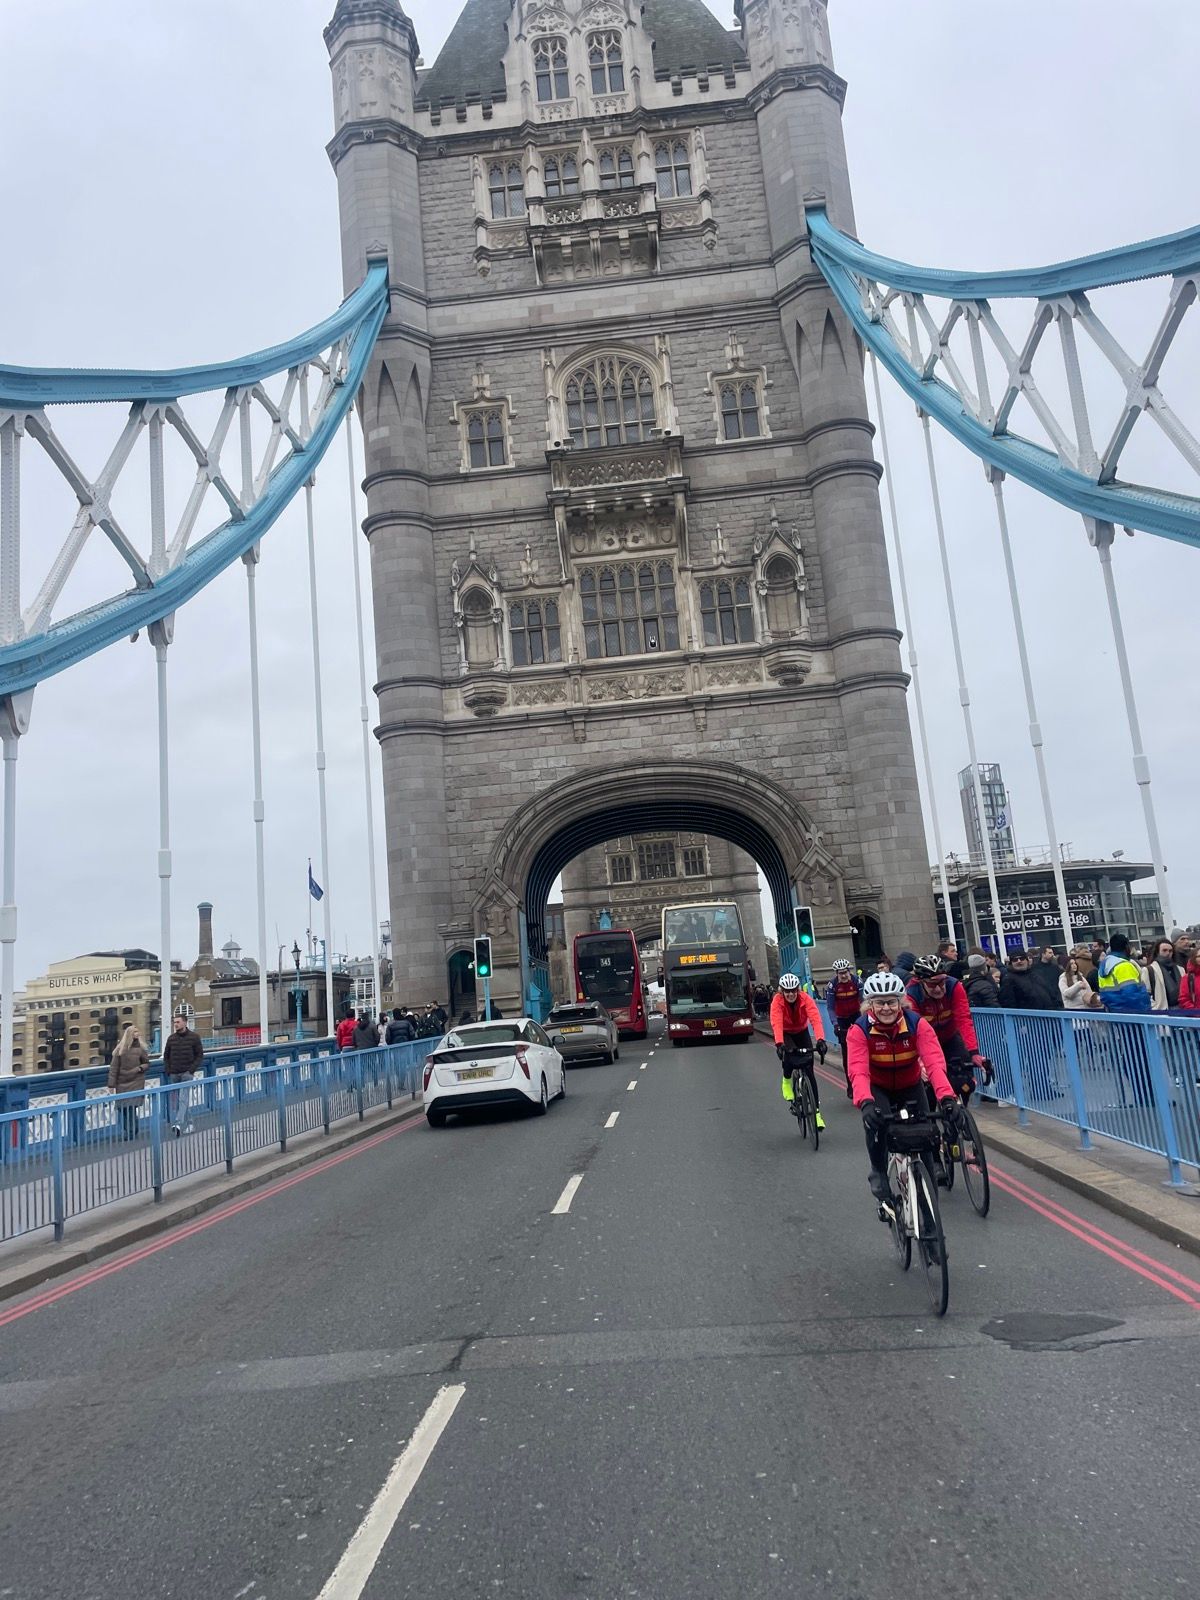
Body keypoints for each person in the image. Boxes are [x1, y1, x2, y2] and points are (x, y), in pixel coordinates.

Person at [846, 971, 957, 1203]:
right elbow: (858, 1070)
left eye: (891, 1001)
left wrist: (947, 1097)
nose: (886, 1008)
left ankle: (931, 1225)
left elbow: (935, 1063)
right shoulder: (860, 1030)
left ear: (901, 1002)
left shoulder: (918, 1025)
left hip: (910, 1084)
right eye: (879, 1002)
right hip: (879, 1087)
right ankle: (877, 1170)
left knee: (925, 1139)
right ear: (869, 1005)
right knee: (876, 1127)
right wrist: (865, 1102)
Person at [906, 955, 992, 1101]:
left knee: (965, 1081)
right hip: (925, 1041)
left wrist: (974, 1053)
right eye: (933, 984)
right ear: (921, 982)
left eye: (942, 982)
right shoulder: (911, 994)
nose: (939, 988)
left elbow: (963, 1019)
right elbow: (915, 1031)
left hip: (950, 1037)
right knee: (928, 1084)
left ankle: (961, 1109)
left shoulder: (954, 986)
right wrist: (920, 1061)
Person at [770, 971, 827, 1131]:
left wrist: (821, 1040)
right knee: (789, 1055)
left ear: (798, 990)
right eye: (787, 991)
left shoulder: (805, 999)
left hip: (801, 1031)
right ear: (782, 991)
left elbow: (815, 1018)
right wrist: (779, 1043)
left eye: (793, 990)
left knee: (809, 1069)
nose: (790, 994)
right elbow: (776, 1022)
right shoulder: (777, 1001)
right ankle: (787, 1081)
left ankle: (816, 1114)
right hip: (786, 1032)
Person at [824, 958, 864, 1094]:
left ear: (849, 971)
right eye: (840, 973)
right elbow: (830, 1008)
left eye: (845, 972)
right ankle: (850, 1087)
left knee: (864, 1049)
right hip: (841, 1019)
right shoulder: (832, 985)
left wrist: (865, 1020)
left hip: (856, 1016)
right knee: (846, 1054)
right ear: (836, 973)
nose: (844, 976)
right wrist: (835, 1025)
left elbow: (863, 1001)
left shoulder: (857, 981)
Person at [162, 1012, 204, 1135]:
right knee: (182, 1101)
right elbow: (166, 1056)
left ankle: (178, 1123)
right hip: (174, 1073)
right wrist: (168, 1070)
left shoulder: (194, 1037)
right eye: (174, 1022)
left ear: (185, 1022)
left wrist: (191, 1070)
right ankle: (190, 1123)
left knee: (182, 1098)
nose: (176, 1024)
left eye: (178, 1022)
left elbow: (200, 1055)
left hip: (186, 1073)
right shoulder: (171, 1039)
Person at [107, 1024, 149, 1140]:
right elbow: (113, 1068)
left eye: (138, 1031)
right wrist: (111, 1084)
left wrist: (140, 1068)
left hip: (136, 1080)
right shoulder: (120, 1050)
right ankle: (131, 1129)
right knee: (123, 1108)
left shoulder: (141, 1049)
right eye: (135, 1032)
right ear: (130, 1034)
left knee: (131, 1107)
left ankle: (131, 1131)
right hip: (122, 1082)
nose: (138, 1034)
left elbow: (147, 1063)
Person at [1097, 934, 1151, 1013]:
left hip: (1115, 1013)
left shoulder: (1105, 965)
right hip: (1133, 1016)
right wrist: (1145, 1012)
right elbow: (1132, 995)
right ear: (1126, 947)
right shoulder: (1124, 966)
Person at [998, 947, 1063, 1010]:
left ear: (1027, 960)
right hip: (1026, 1018)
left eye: (1022, 958)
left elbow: (1051, 994)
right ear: (1011, 963)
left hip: (1049, 1015)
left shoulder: (1036, 975)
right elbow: (1008, 1003)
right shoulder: (1008, 979)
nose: (1019, 961)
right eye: (1015, 960)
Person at [1142, 937, 1183, 1012]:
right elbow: (1145, 994)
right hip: (1162, 1010)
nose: (1168, 953)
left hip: (1182, 1009)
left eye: (1170, 951)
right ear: (1157, 952)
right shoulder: (1149, 970)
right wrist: (1155, 1007)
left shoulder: (1180, 969)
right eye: (1164, 950)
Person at [1177, 948, 1200, 1013]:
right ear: (1194, 959)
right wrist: (1196, 1013)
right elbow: (1184, 1000)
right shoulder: (1188, 978)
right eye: (1199, 956)